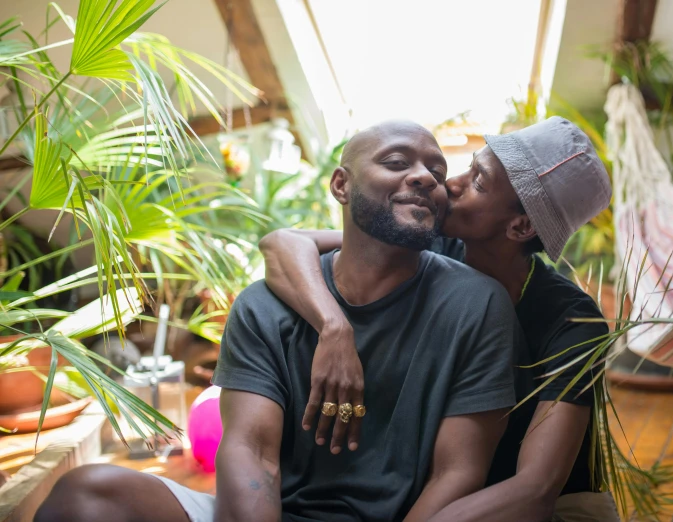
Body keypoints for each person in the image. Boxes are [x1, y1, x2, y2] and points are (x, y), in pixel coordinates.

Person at [34, 121, 520, 522]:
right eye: (396, 163)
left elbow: (455, 475)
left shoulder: (476, 306)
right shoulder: (264, 306)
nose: (425, 178)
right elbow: (253, 455)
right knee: (84, 496)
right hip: (267, 514)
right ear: (341, 185)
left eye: (437, 172)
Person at [258, 116, 619, 521]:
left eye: (479, 182)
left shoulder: (572, 324)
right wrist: (333, 327)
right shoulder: (434, 248)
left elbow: (534, 489)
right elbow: (282, 244)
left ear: (521, 226)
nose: (451, 184)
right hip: (443, 494)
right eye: (468, 167)